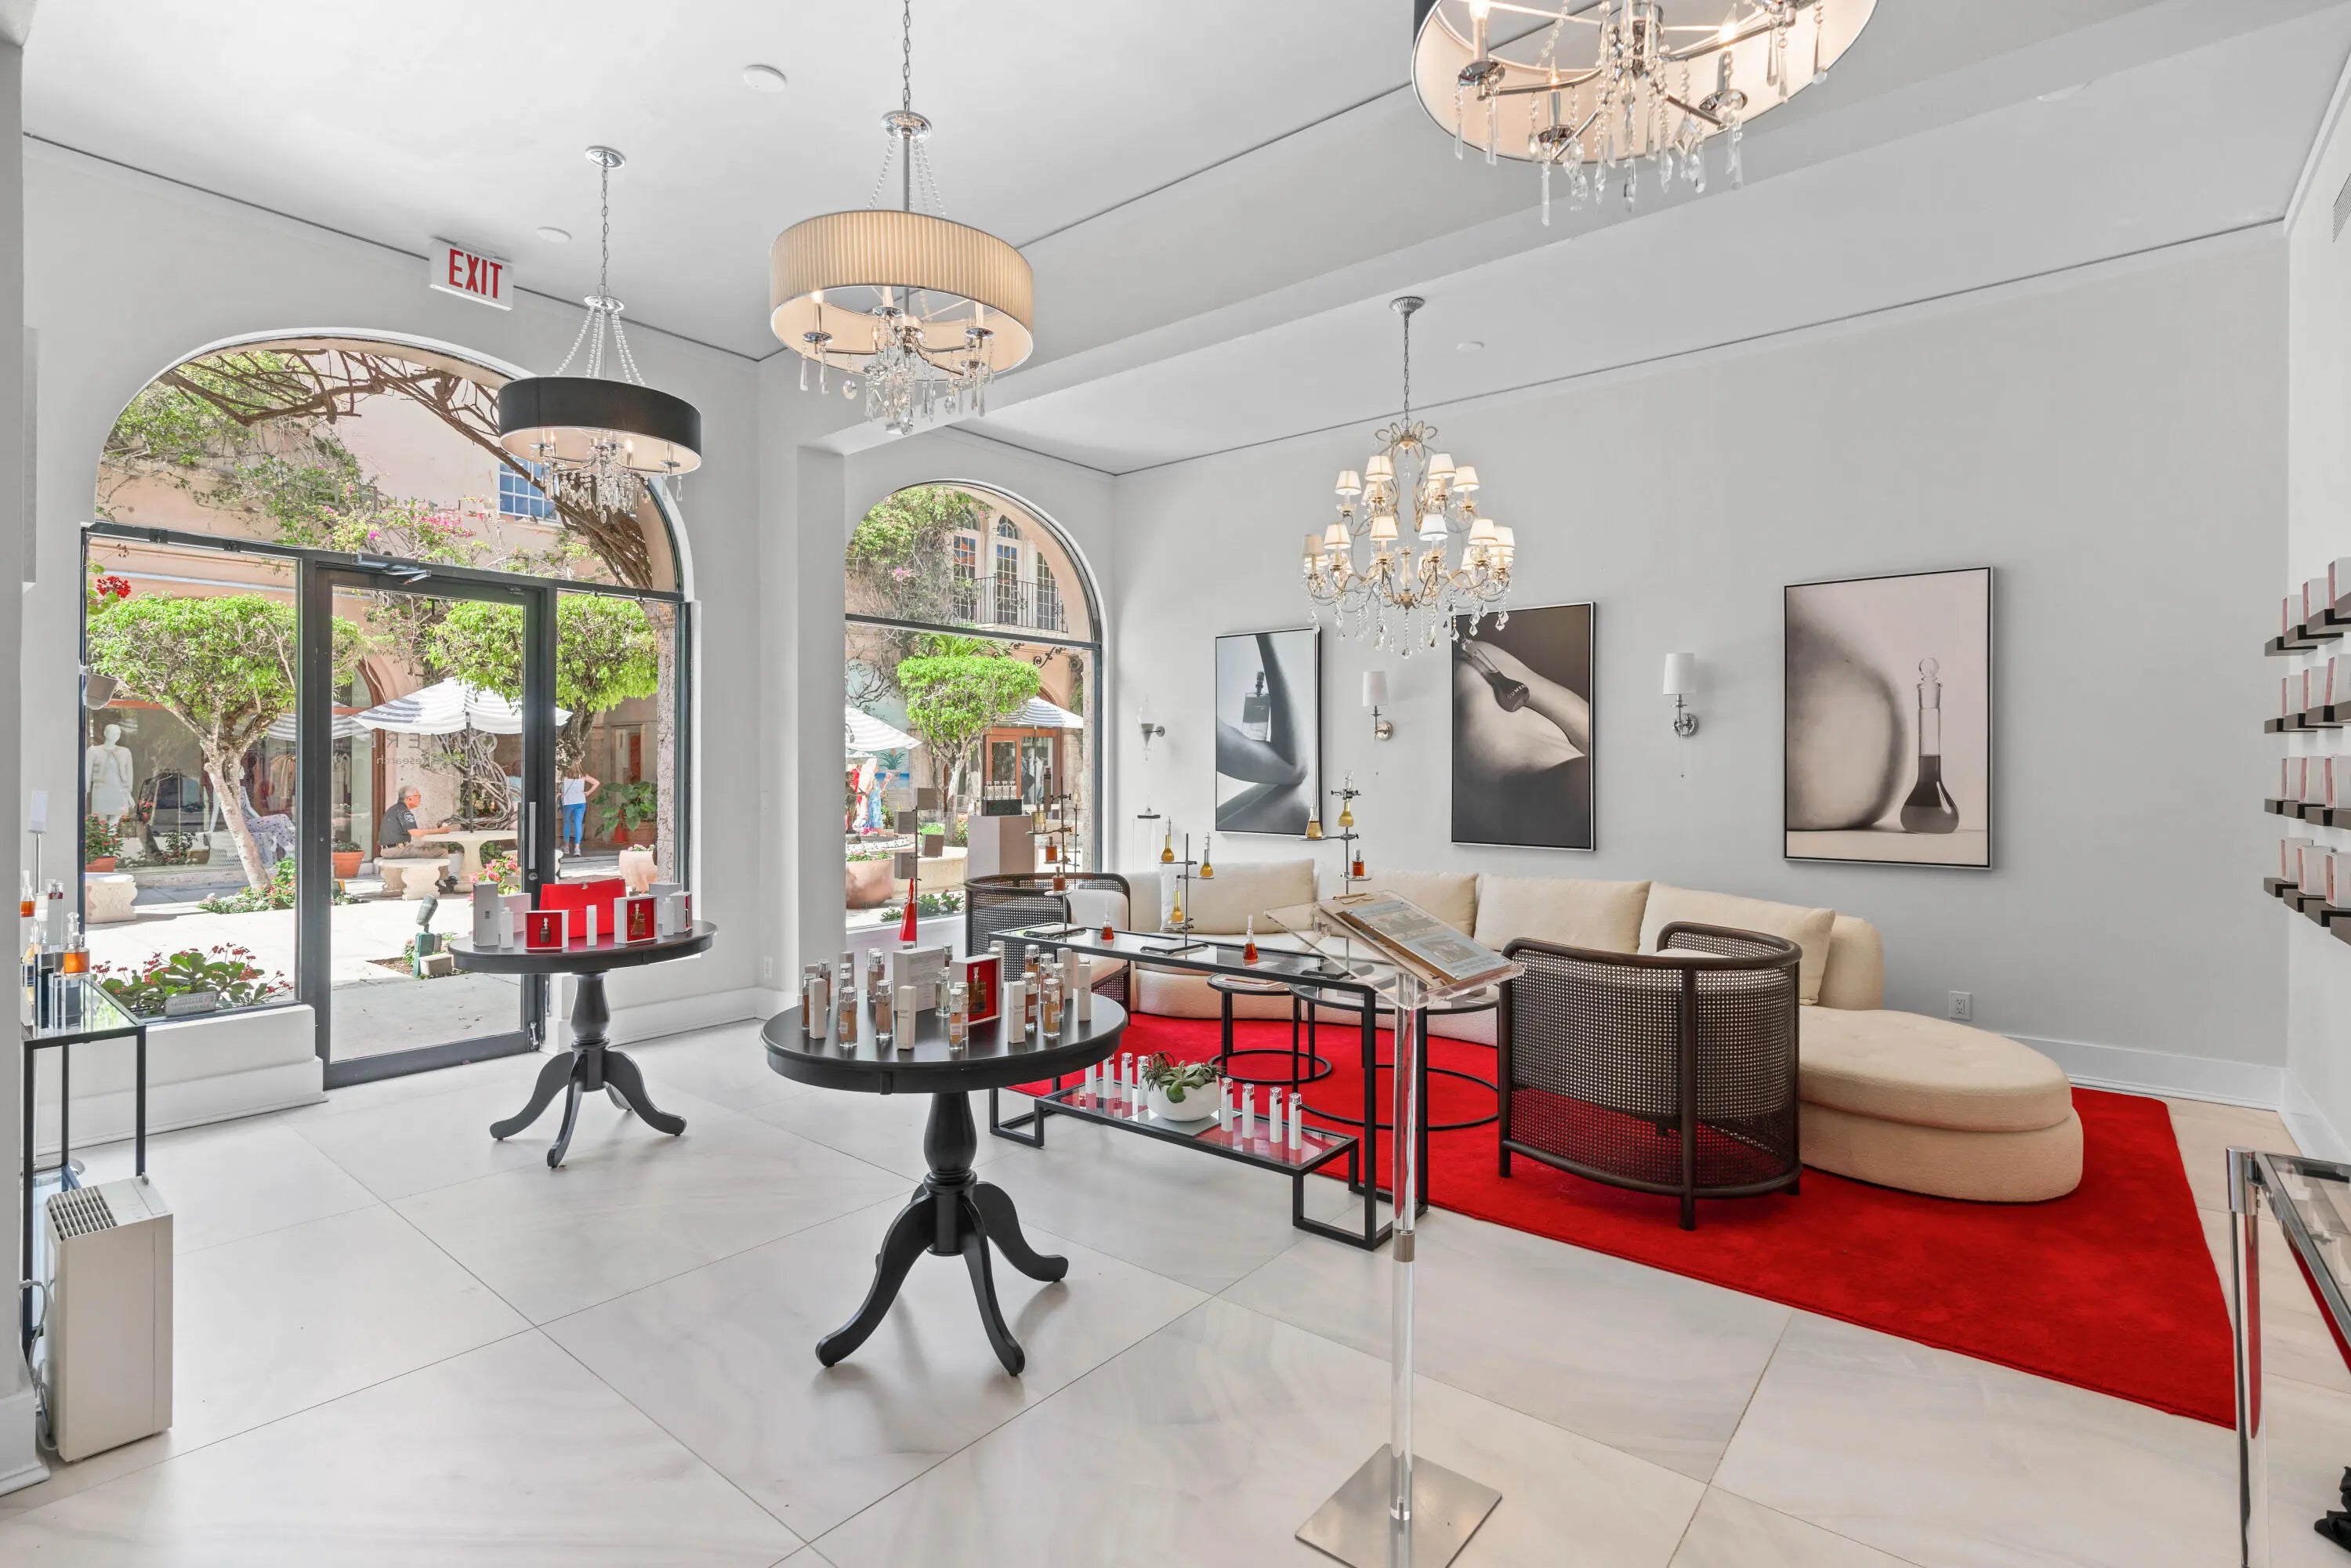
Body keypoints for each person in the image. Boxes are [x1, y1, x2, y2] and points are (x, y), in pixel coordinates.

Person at [378, 786, 453, 886]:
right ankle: (440, 883)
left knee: (426, 851)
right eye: (418, 796)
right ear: (409, 798)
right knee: (441, 852)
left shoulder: (393, 809)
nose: (420, 799)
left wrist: (430, 831)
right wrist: (439, 831)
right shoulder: (405, 812)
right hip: (399, 851)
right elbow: (416, 833)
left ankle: (432, 881)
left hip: (386, 851)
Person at [560, 769, 601, 855]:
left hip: (568, 802)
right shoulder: (583, 775)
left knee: (567, 823)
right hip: (580, 802)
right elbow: (596, 783)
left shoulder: (565, 775)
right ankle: (577, 848)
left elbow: (559, 788)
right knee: (578, 824)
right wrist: (588, 792)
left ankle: (566, 847)